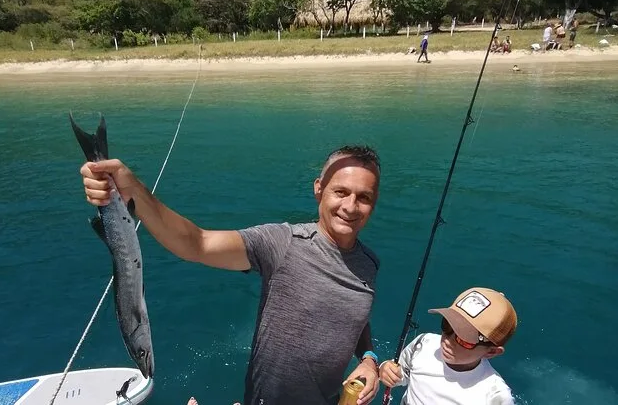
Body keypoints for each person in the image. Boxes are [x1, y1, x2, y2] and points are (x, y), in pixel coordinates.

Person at [79, 145, 383, 405]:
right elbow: (196, 243)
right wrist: (133, 190)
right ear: (319, 188)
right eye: (341, 192)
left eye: (364, 197)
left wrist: (368, 358)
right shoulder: (283, 244)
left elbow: (353, 317)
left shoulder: (368, 263)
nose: (350, 206)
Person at [378, 287, 517, 405]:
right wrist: (386, 369)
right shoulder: (423, 343)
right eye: (447, 326)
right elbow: (401, 374)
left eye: (463, 339)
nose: (448, 341)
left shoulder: (495, 396)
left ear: (491, 352)